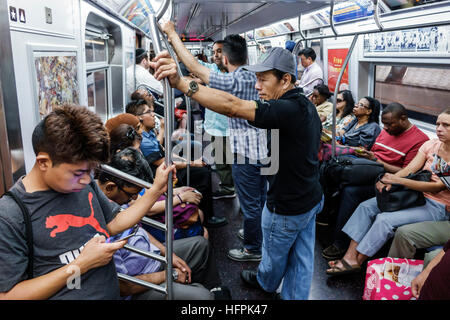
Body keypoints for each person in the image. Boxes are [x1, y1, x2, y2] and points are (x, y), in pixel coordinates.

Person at [150, 46, 323, 300]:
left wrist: (182, 83)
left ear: (285, 80)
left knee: (275, 258)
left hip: (287, 205)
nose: (257, 86)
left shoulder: (286, 109)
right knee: (302, 258)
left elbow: (232, 106)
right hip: (310, 198)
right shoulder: (303, 105)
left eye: (263, 80)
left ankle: (265, 281)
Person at [0, 105, 174, 299]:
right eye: (78, 173)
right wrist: (82, 264)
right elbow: (9, 295)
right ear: (43, 163)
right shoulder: (11, 214)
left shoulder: (81, 186)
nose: (86, 179)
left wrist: (157, 188)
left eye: (91, 170)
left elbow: (114, 223)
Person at [162, 21, 268, 262]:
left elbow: (195, 68)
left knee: (250, 203)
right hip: (265, 148)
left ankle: (253, 248)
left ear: (227, 60)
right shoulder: (255, 76)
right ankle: (257, 234)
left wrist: (171, 34)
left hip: (247, 151)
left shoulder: (236, 80)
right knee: (260, 199)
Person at [326, 108, 450, 276]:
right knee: (366, 207)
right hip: (415, 195)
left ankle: (357, 261)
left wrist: (397, 180)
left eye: (446, 125)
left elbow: (437, 187)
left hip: (437, 206)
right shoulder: (431, 145)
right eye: (437, 124)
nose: (439, 129)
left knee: (384, 220)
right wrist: (388, 181)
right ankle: (349, 256)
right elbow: (409, 169)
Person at [96, 147, 228, 300]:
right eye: (132, 195)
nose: (133, 200)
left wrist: (168, 254)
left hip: (151, 256)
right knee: (203, 297)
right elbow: (124, 286)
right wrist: (170, 274)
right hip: (138, 286)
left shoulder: (115, 197)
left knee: (200, 245)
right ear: (110, 187)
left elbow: (137, 230)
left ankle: (213, 289)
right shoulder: (98, 227)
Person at [125, 99, 225, 229]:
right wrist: (192, 163)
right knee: (202, 174)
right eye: (149, 112)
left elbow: (161, 149)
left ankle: (199, 207)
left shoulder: (148, 132)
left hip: (165, 164)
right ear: (139, 118)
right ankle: (206, 216)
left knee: (195, 154)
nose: (153, 114)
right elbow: (164, 162)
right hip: (161, 172)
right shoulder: (142, 140)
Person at [198, 40, 236, 200]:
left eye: (219, 52)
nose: (215, 56)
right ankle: (228, 184)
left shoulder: (236, 75)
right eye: (214, 53)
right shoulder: (212, 69)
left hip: (228, 126)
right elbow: (194, 64)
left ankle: (228, 188)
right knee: (221, 159)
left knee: (228, 160)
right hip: (213, 124)